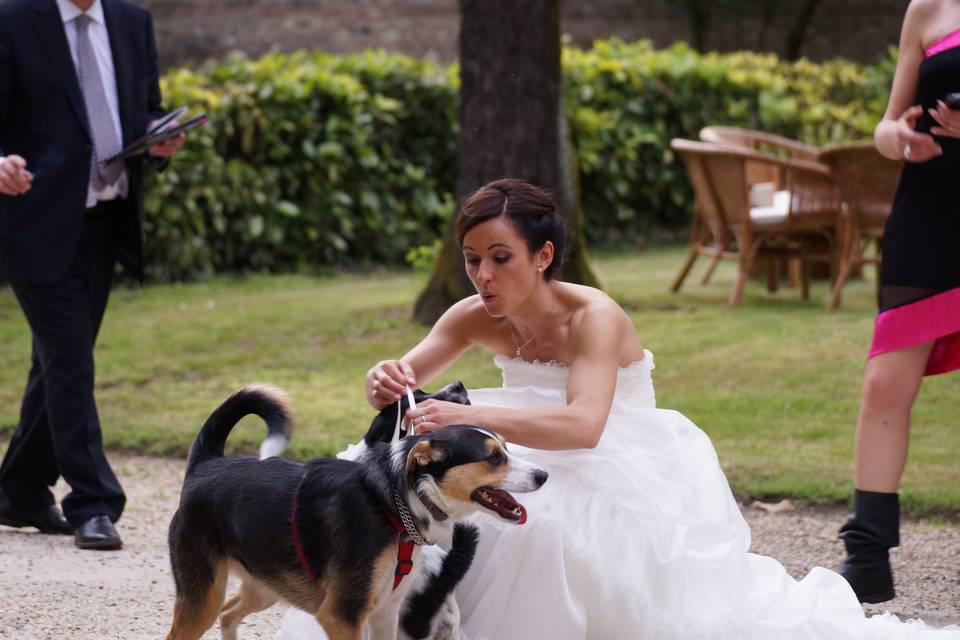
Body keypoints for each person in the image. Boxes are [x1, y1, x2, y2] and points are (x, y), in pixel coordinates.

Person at [276, 178, 959, 639]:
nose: (483, 276)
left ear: (543, 256)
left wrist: (467, 419)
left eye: (501, 258)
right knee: (379, 494)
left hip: (615, 450)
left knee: (541, 531)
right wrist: (384, 378)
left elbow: (584, 427)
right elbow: (397, 387)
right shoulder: (468, 315)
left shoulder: (594, 317)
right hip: (516, 434)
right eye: (472, 259)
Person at [0, 0, 184, 550]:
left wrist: (160, 138)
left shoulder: (132, 21)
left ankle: (20, 489)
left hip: (106, 220)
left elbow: (143, 111)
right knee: (70, 358)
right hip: (33, 217)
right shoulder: (11, 18)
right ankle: (93, 501)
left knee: (57, 361)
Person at [836, 0, 960, 605]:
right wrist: (900, 137)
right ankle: (867, 557)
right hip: (929, 215)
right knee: (885, 384)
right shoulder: (927, 8)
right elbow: (884, 129)